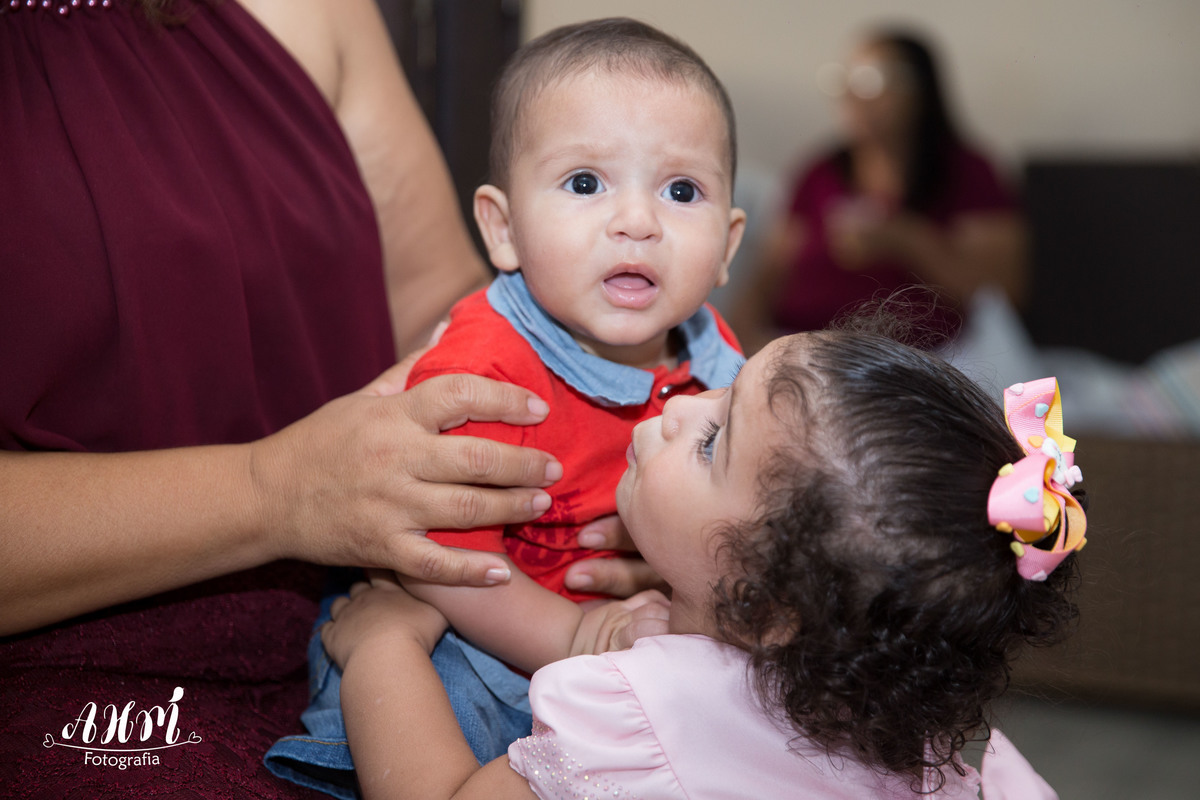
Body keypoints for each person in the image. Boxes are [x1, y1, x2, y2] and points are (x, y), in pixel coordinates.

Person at [0, 1, 650, 796]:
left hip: (418, 612)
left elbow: (450, 315)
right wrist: (273, 491)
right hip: (88, 678)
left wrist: (608, 493)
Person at [266, 18, 746, 794]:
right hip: (466, 620)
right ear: (504, 228)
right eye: (585, 183)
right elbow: (436, 556)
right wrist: (573, 634)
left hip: (625, 629)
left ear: (727, 245)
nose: (637, 221)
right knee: (437, 685)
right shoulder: (485, 370)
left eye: (680, 191)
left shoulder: (721, 362)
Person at [322, 328, 1085, 799]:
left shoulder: (646, 719)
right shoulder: (887, 731)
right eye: (724, 388)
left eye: (713, 440)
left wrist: (382, 648)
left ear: (763, 607)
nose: (681, 405)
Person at [730, 27, 1026, 354]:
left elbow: (1003, 289)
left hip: (917, 358)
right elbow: (765, 279)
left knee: (1025, 392)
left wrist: (904, 239)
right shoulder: (819, 171)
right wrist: (744, 348)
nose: (853, 95)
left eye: (871, 80)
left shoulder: (968, 172)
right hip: (806, 350)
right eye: (845, 80)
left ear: (918, 90)